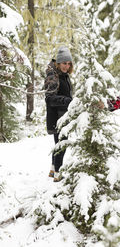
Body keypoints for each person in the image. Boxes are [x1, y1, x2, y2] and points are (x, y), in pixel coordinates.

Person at [44, 46, 73, 182]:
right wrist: (66, 100)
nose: (66, 66)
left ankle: (53, 169)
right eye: (64, 63)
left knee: (59, 144)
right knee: (61, 145)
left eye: (68, 63)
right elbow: (49, 98)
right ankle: (58, 174)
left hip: (63, 116)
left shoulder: (63, 75)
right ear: (58, 63)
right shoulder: (53, 75)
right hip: (57, 117)